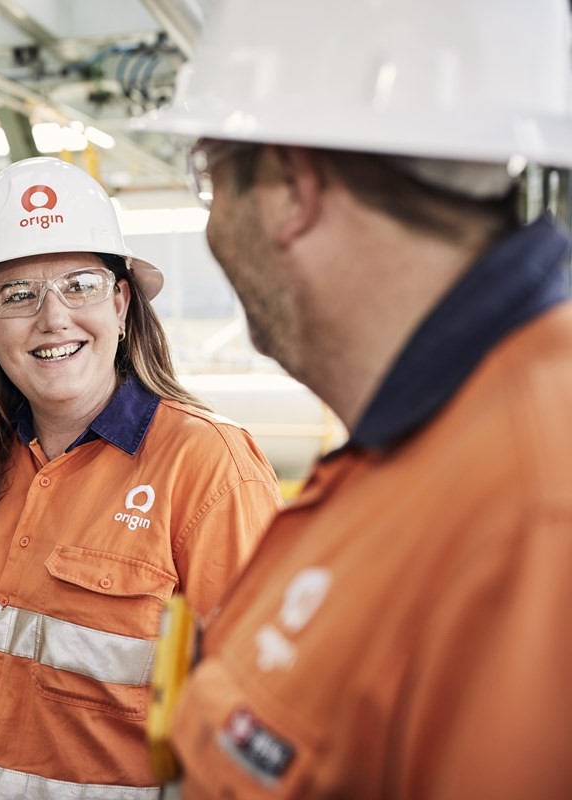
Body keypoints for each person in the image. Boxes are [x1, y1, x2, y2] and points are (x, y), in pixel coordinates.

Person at [136, 0, 572, 796]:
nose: (211, 227)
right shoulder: (411, 454)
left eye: (210, 178)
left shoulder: (537, 514)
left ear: (293, 188)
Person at [0, 156, 281, 799]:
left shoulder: (208, 469)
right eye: (17, 295)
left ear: (121, 303)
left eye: (80, 285)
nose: (53, 318)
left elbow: (262, 722)